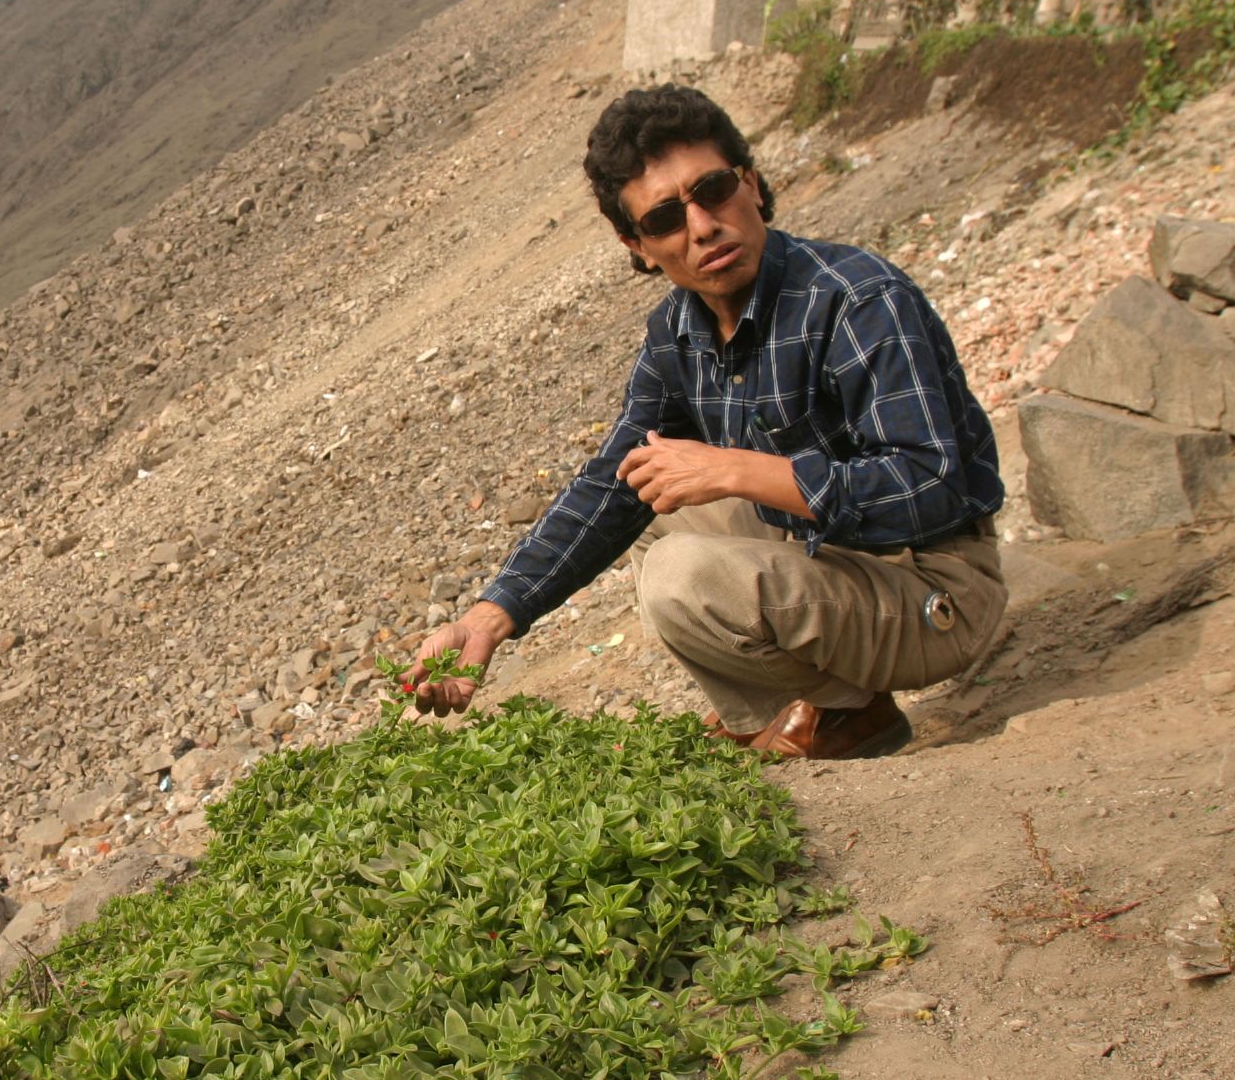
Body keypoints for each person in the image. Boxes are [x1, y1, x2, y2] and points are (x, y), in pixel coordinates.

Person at [403, 84, 1007, 759]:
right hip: (840, 567)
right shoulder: (678, 331)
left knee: (679, 575)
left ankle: (848, 713)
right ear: (637, 244)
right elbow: (610, 486)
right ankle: (798, 709)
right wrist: (489, 619)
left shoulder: (857, 299)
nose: (701, 227)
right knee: (649, 493)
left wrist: (734, 469)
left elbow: (931, 487)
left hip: (936, 589)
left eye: (712, 190)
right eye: (664, 218)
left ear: (750, 185)